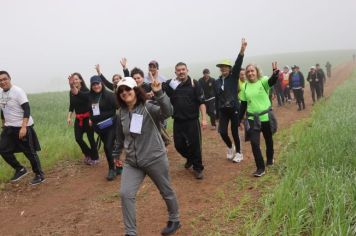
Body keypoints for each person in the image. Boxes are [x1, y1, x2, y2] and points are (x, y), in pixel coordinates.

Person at [116, 76, 180, 236]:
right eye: (121, 91)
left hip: (154, 158)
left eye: (128, 89)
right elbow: (120, 136)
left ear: (135, 90)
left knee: (166, 190)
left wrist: (159, 93)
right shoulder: (121, 113)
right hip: (132, 162)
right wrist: (116, 153)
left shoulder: (148, 107)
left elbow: (168, 112)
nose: (125, 93)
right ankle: (130, 232)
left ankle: (175, 219)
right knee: (125, 194)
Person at [69, 75, 118, 181]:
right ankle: (118, 164)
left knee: (107, 147)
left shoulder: (109, 95)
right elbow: (76, 93)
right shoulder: (89, 96)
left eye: (98, 83)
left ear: (101, 84)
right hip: (99, 128)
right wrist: (71, 85)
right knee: (110, 146)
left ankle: (111, 169)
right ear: (91, 86)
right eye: (94, 84)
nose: (96, 86)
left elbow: (119, 107)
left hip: (111, 126)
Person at [0, 71, 45, 185]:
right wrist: (3, 123)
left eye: (5, 79)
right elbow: (3, 109)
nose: (3, 82)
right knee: (3, 149)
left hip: (22, 126)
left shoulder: (18, 91)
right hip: (9, 127)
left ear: (10, 79)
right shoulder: (1, 93)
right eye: (0, 80)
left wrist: (23, 127)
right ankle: (20, 169)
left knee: (29, 152)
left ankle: (39, 174)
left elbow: (27, 109)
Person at [164, 62, 207, 179]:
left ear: (187, 70)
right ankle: (190, 158)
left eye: (183, 69)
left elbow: (202, 102)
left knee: (195, 146)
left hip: (192, 121)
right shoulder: (171, 85)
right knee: (179, 145)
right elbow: (158, 89)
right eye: (178, 70)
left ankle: (198, 168)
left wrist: (204, 119)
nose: (181, 72)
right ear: (175, 72)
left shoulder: (194, 84)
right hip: (178, 121)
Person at [239, 63, 280, 177]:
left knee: (268, 139)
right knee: (254, 143)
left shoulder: (263, 81)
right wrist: (239, 120)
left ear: (257, 71)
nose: (250, 73)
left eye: (252, 71)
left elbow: (272, 81)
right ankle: (260, 168)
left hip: (265, 117)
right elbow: (243, 105)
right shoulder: (245, 87)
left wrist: (275, 74)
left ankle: (270, 159)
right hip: (252, 118)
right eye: (248, 72)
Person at [215, 38, 247, 163]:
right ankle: (230, 147)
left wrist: (242, 51)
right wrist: (217, 114)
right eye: (221, 67)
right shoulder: (217, 82)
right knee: (222, 132)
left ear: (229, 68)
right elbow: (217, 98)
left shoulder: (233, 77)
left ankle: (239, 153)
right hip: (223, 110)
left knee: (234, 131)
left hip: (234, 108)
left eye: (225, 67)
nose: (223, 68)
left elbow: (238, 64)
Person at [67, 73, 99, 165]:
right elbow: (71, 106)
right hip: (78, 119)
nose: (75, 81)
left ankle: (95, 157)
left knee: (90, 138)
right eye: (73, 80)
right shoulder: (71, 92)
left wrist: (91, 118)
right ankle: (88, 154)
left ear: (81, 80)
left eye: (77, 79)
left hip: (87, 118)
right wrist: (69, 117)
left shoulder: (86, 91)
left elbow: (92, 105)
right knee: (78, 138)